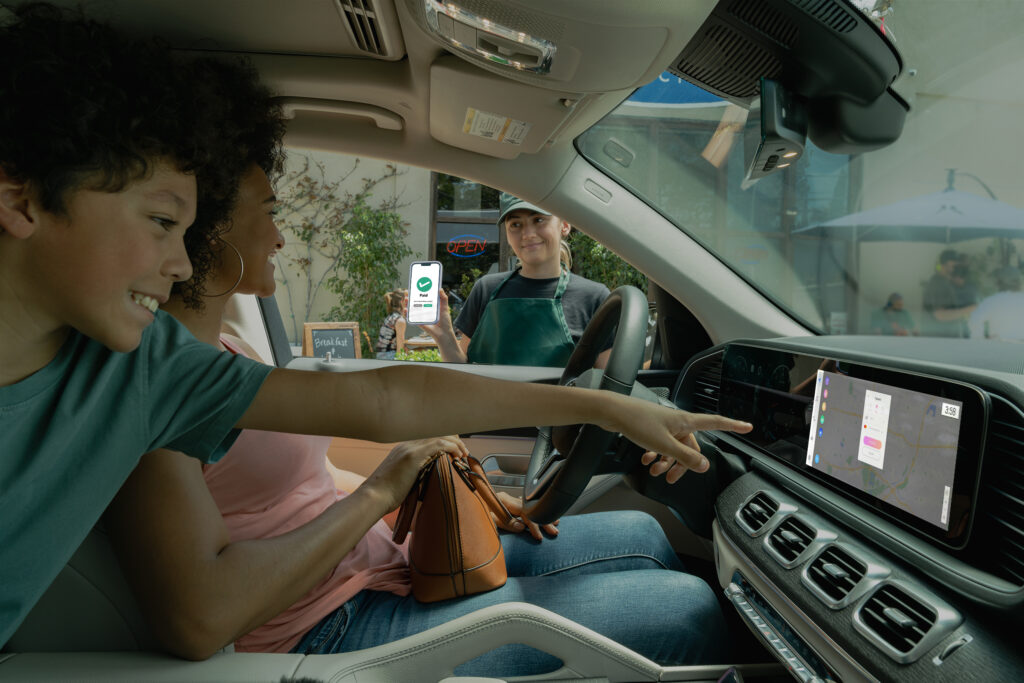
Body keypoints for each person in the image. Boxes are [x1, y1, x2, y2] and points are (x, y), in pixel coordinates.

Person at [0, 5, 753, 650]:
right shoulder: (135, 371)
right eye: (164, 221)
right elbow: (200, 614)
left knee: (650, 540)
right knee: (684, 611)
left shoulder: (152, 363)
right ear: (21, 200)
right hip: (329, 628)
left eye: (185, 226)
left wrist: (602, 404)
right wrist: (380, 490)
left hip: (370, 571)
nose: (177, 258)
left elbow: (387, 401)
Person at [420, 193, 612, 367]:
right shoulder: (486, 289)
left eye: (538, 220)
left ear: (564, 225)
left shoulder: (595, 298)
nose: (527, 234)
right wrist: (445, 338)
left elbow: (606, 387)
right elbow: (463, 372)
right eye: (515, 225)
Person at [922, 249, 976, 337]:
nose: (957, 269)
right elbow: (940, 315)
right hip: (940, 342)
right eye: (954, 266)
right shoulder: (938, 284)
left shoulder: (945, 282)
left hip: (945, 341)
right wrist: (969, 309)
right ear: (944, 265)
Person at [968, 266, 1024, 341]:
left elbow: (975, 320)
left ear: (999, 282)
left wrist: (979, 341)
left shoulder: (992, 301)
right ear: (1019, 282)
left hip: (998, 348)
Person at [374, 289, 407, 359]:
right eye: (407, 300)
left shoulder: (391, 317)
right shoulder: (400, 320)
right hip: (389, 356)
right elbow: (400, 349)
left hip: (381, 355)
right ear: (402, 301)